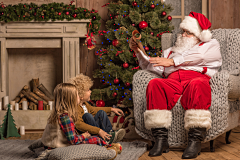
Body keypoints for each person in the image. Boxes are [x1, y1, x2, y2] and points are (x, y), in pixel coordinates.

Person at [129, 12, 222, 159]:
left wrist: (173, 62)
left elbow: (201, 57)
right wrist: (138, 51)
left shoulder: (210, 45)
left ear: (199, 35)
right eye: (183, 31)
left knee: (198, 84)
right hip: (172, 82)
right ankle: (160, 139)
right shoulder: (171, 52)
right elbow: (152, 67)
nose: (183, 35)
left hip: (195, 79)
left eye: (188, 33)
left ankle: (195, 141)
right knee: (155, 84)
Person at [41, 83, 108, 148]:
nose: (79, 96)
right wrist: (84, 135)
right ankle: (107, 145)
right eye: (77, 95)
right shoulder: (65, 117)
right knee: (96, 139)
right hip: (56, 146)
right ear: (71, 99)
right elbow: (73, 141)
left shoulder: (58, 113)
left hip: (52, 143)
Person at [68, 74, 126, 144]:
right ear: (81, 96)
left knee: (101, 112)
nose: (90, 91)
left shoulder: (85, 104)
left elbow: (94, 110)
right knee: (87, 116)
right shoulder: (76, 108)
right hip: (86, 132)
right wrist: (98, 131)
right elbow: (79, 125)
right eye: (88, 90)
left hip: (94, 129)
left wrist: (112, 109)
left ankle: (109, 135)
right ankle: (104, 138)